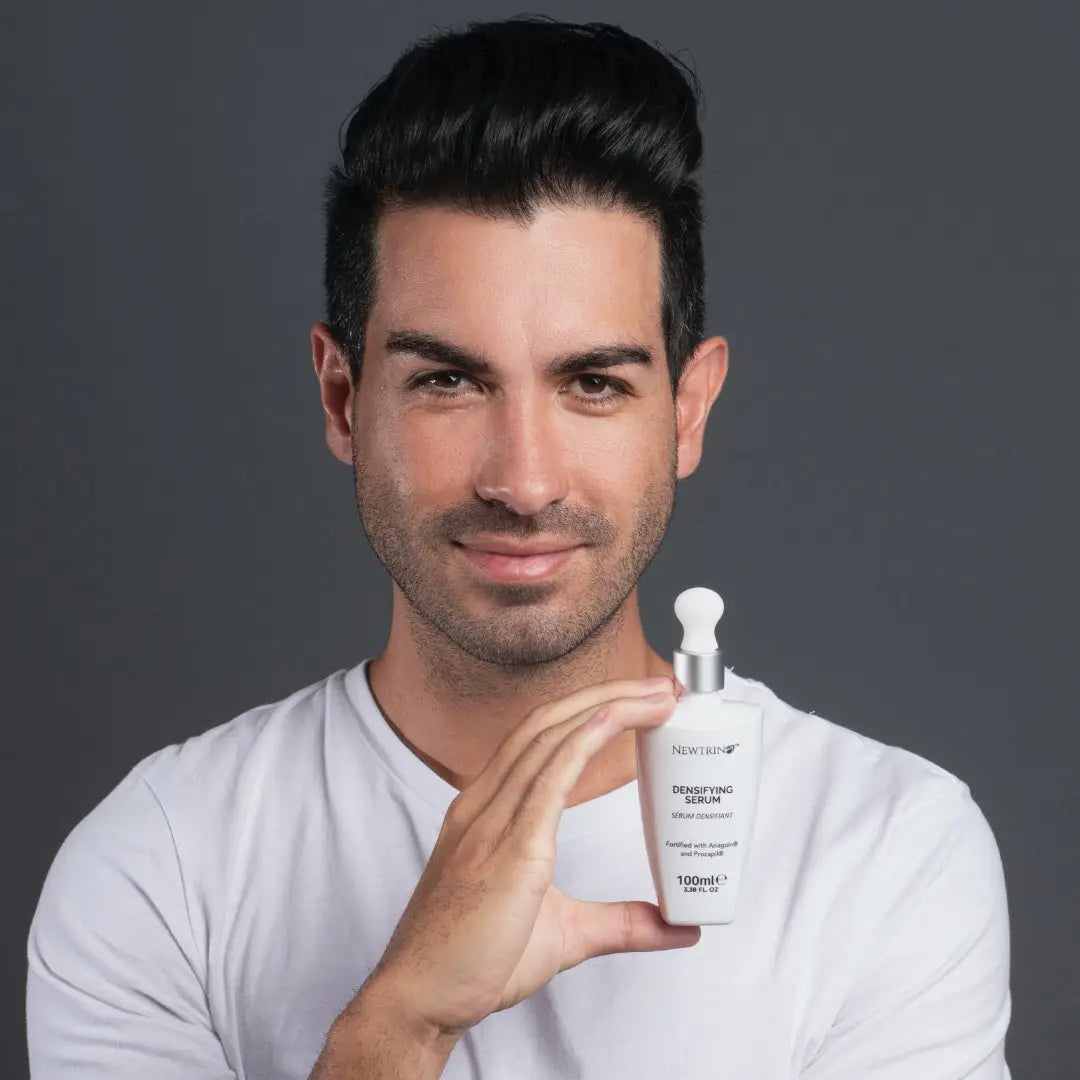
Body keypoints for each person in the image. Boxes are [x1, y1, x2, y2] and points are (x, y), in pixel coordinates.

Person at [25, 15, 1013, 1079]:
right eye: (449, 381)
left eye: (593, 383)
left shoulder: (886, 853)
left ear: (687, 412)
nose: (524, 481)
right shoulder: (160, 865)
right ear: (343, 398)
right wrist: (401, 1023)